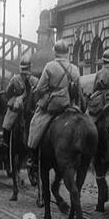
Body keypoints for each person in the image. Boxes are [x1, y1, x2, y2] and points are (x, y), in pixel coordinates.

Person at [27, 39, 82, 169]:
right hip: (70, 105)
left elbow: (40, 89)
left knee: (35, 122)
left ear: (55, 52)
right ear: (67, 52)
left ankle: (33, 155)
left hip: (53, 105)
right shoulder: (74, 68)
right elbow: (78, 90)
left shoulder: (49, 66)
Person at [2, 56, 39, 147]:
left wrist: (14, 99)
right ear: (30, 67)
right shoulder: (35, 81)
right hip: (32, 111)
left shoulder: (15, 79)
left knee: (6, 125)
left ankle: (6, 142)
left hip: (17, 109)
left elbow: (7, 93)